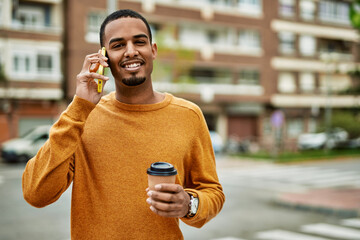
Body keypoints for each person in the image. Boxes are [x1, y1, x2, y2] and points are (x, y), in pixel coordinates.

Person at [22, 9, 225, 240]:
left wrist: (189, 204)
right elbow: (35, 193)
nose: (131, 52)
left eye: (139, 42)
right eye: (118, 45)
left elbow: (212, 192)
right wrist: (79, 107)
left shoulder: (189, 115)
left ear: (153, 50)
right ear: (104, 57)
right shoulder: (82, 117)